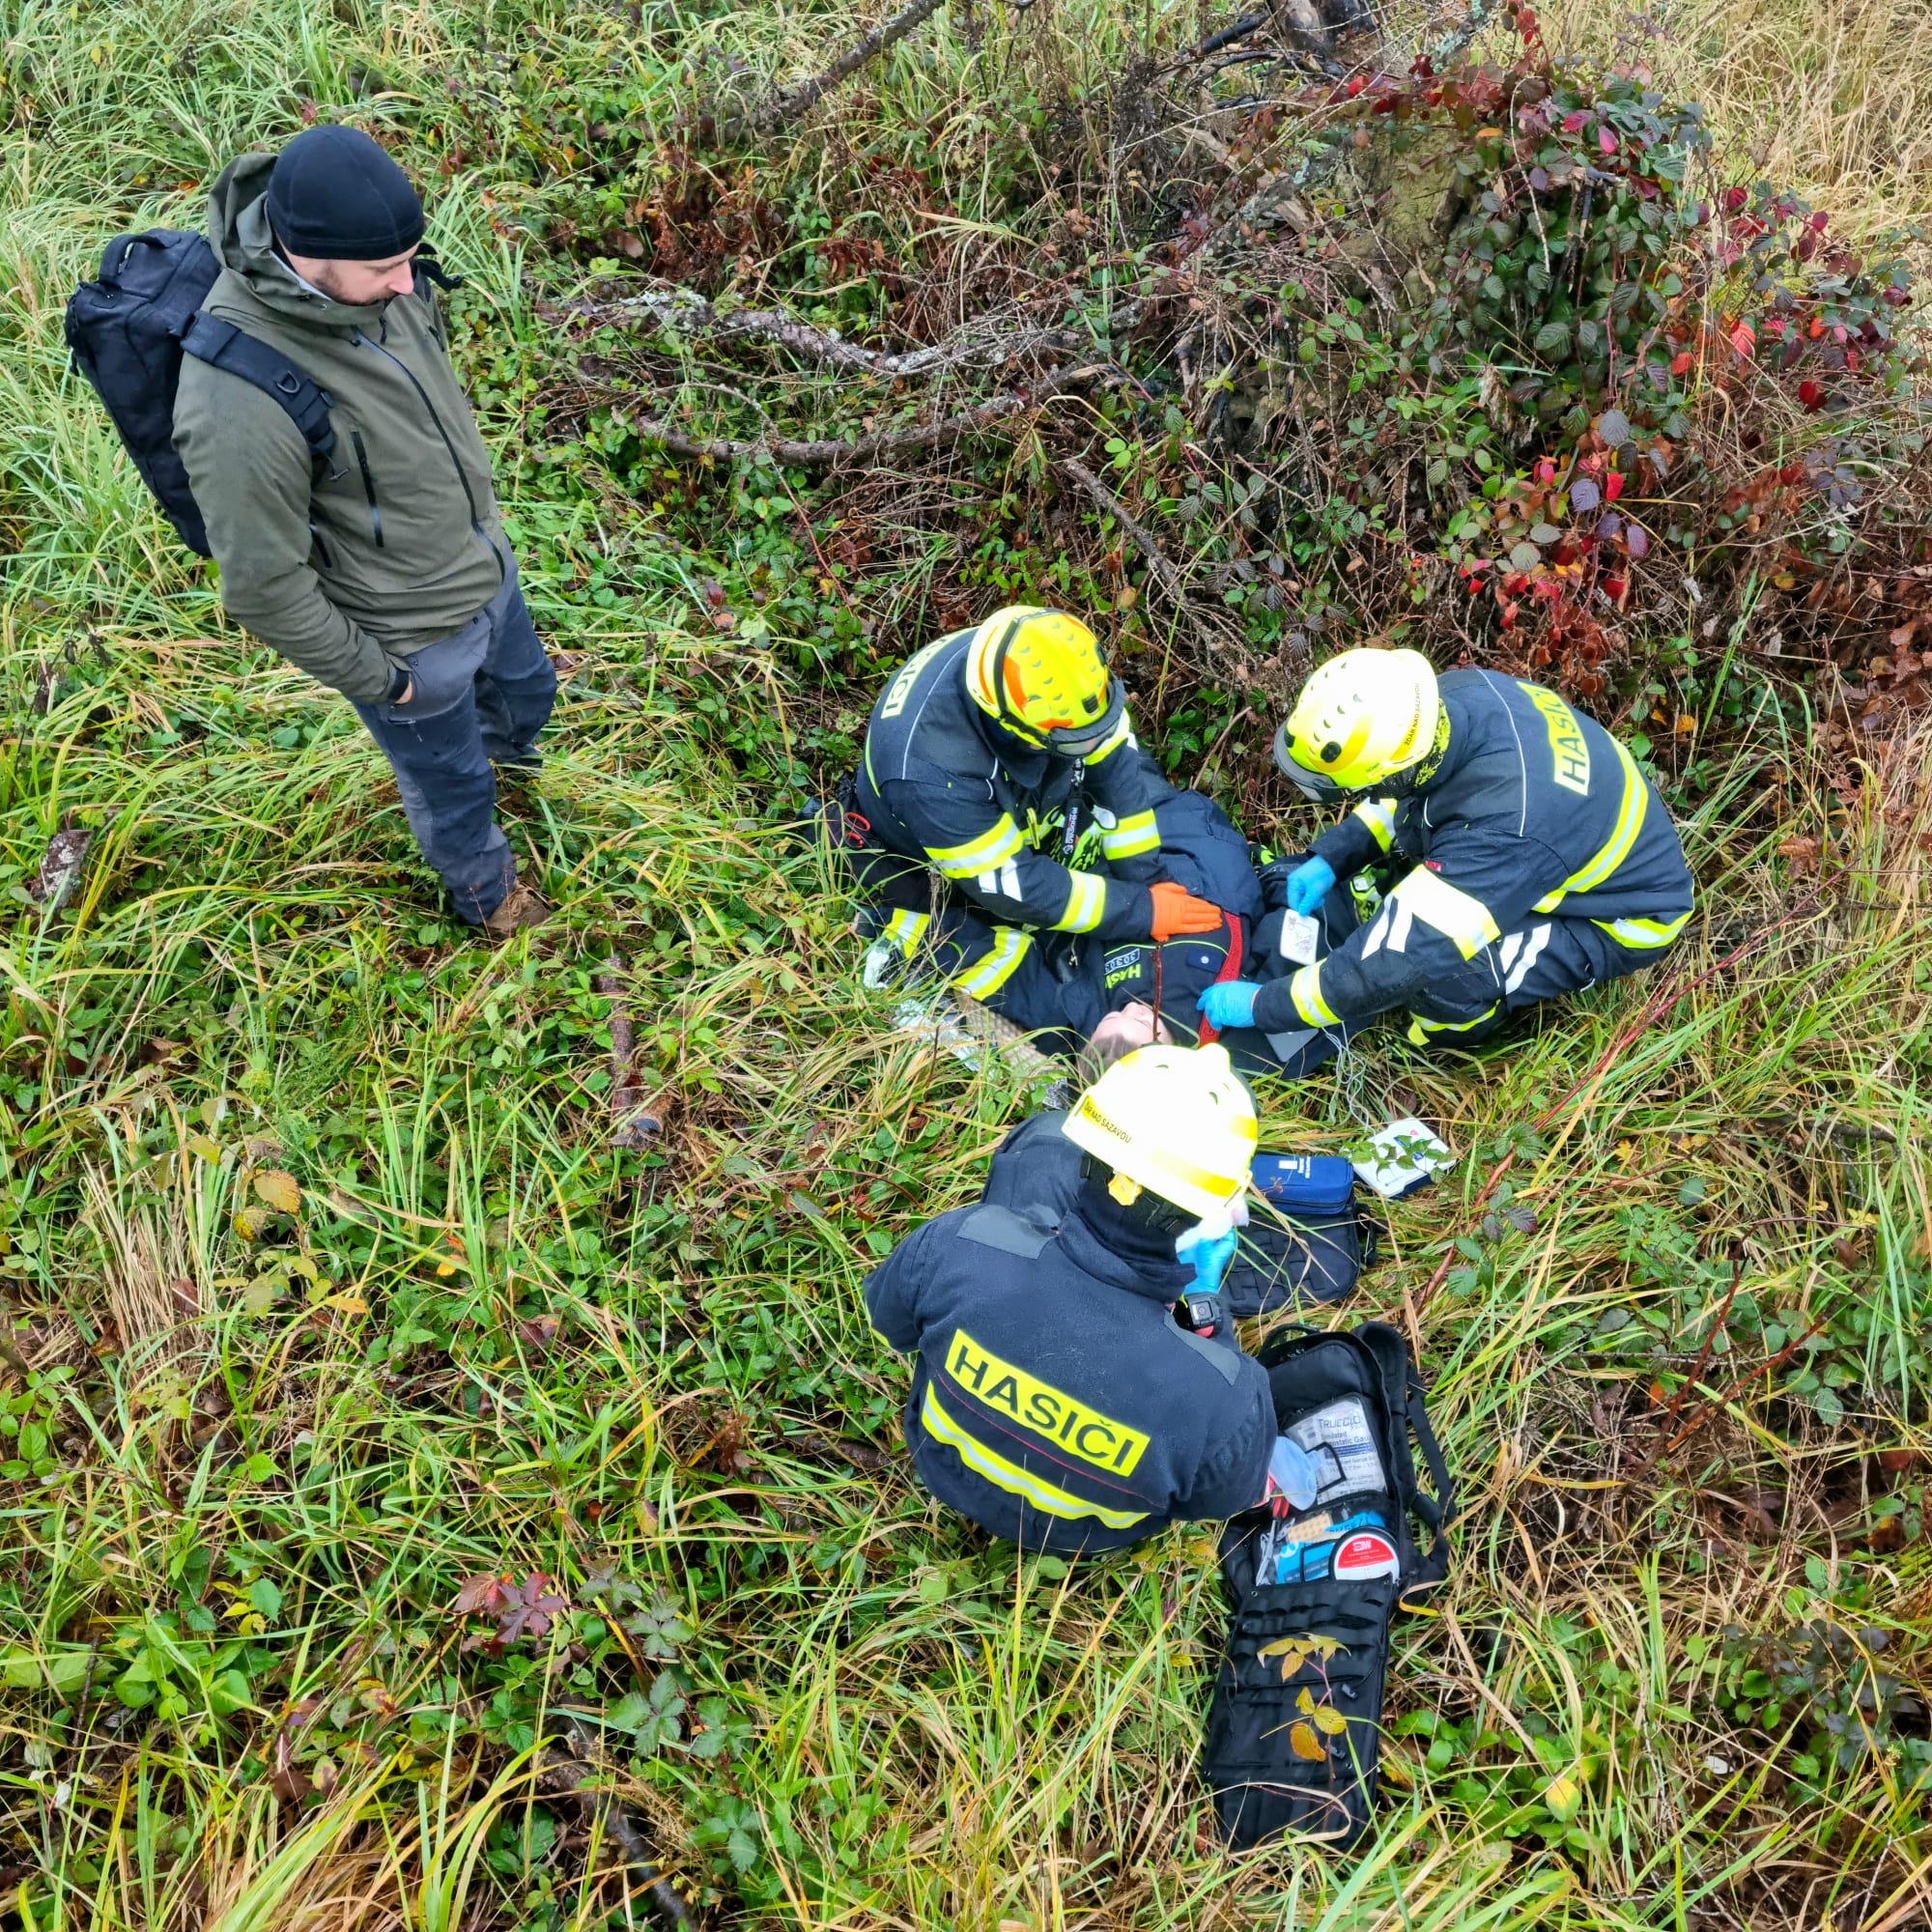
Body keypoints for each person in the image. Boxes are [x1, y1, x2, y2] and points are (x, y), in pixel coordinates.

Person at [172, 126, 554, 940]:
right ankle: (493, 902)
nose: (408, 282)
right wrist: (386, 680)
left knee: (528, 700)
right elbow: (264, 588)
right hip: (407, 640)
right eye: (385, 270)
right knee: (451, 790)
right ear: (304, 254)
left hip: (482, 570)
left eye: (411, 259)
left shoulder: (383, 279)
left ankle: (507, 768)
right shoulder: (234, 399)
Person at [862, 1044, 1279, 1554]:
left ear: (1087, 1147)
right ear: (1217, 1208)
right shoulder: (1228, 1396)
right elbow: (1217, 1498)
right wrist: (1210, 1337)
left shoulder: (957, 1245)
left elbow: (891, 1324)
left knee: (1038, 1145)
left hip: (942, 1465)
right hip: (1081, 1536)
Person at [1196, 649, 1694, 1050]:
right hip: (1557, 826)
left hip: (1619, 916)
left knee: (1446, 970)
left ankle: (1440, 1041)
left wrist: (1264, 1005)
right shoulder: (1444, 701)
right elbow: (1405, 793)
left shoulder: (1504, 831)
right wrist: (1333, 857)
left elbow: (1389, 966)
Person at [832, 608, 1229, 1036]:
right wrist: (1136, 910)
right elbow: (1016, 887)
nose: (1094, 742)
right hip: (920, 850)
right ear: (1010, 725)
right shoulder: (930, 774)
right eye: (1077, 738)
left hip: (1014, 782)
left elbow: (1114, 768)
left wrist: (1145, 876)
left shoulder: (1044, 667)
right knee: (970, 929)